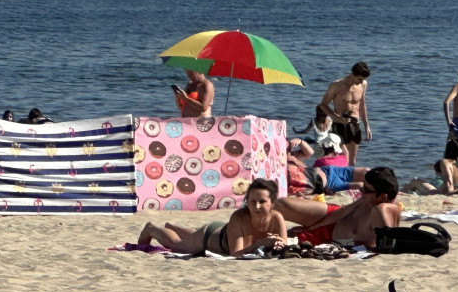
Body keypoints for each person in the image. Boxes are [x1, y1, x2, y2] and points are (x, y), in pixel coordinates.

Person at [137, 178, 287, 256]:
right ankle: (152, 228)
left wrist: (278, 244)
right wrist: (260, 244)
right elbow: (235, 254)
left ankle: (173, 227)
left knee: (190, 236)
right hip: (208, 236)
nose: (257, 206)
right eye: (252, 201)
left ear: (272, 203)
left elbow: (283, 245)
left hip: (223, 232)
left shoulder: (277, 218)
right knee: (177, 246)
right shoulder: (239, 217)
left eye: (262, 202)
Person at [274, 166, 400, 248]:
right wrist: (310, 228)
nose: (361, 190)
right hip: (334, 218)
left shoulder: (383, 210)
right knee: (282, 205)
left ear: (383, 197)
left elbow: (386, 244)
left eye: (366, 189)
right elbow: (343, 211)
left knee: (277, 233)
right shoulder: (369, 199)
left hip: (332, 239)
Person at [319, 62, 372, 164]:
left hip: (354, 125)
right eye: (359, 79)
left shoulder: (363, 84)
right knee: (343, 156)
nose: (361, 81)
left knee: (352, 160)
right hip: (339, 124)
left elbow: (361, 105)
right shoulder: (337, 85)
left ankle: (350, 179)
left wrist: (367, 126)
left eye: (363, 79)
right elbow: (323, 104)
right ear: (353, 74)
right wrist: (336, 117)